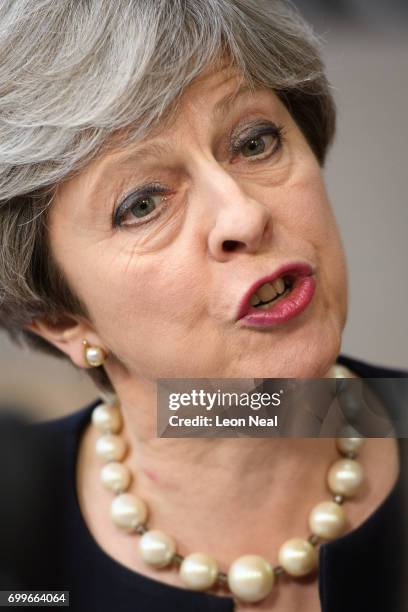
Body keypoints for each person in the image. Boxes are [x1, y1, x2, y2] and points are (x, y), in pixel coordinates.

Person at [0, 1, 406, 610]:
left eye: (255, 141)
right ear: (63, 318)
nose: (245, 214)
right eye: (142, 204)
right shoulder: (20, 557)